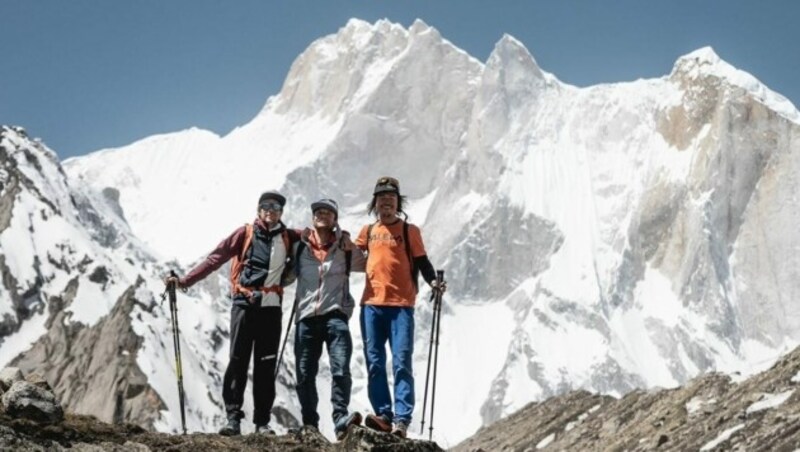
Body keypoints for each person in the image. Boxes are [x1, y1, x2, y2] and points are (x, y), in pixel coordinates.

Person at [165, 191, 299, 436]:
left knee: (265, 366)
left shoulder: (289, 236)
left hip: (271, 308)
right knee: (238, 361)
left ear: (281, 212)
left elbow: (318, 240)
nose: (270, 210)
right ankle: (233, 419)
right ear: (259, 210)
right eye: (266, 206)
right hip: (244, 304)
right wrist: (185, 281)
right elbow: (216, 257)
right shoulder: (245, 233)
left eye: (276, 207)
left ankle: (262, 423)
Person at [354, 176, 446, 438]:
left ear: (397, 202)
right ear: (376, 203)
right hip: (371, 305)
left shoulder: (409, 231)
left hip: (402, 306)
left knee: (401, 362)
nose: (386, 202)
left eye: (391, 198)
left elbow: (423, 261)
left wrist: (432, 282)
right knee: (374, 362)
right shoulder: (368, 231)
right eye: (382, 198)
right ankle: (384, 415)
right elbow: (350, 256)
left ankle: (402, 420)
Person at [290, 198, 365, 440]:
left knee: (340, 369)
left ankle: (340, 419)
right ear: (312, 218)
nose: (322, 214)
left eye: (328, 212)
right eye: (318, 211)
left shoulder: (345, 247)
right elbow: (285, 275)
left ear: (335, 219)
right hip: (306, 318)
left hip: (336, 316)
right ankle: (310, 425)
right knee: (304, 374)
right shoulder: (299, 247)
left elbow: (369, 264)